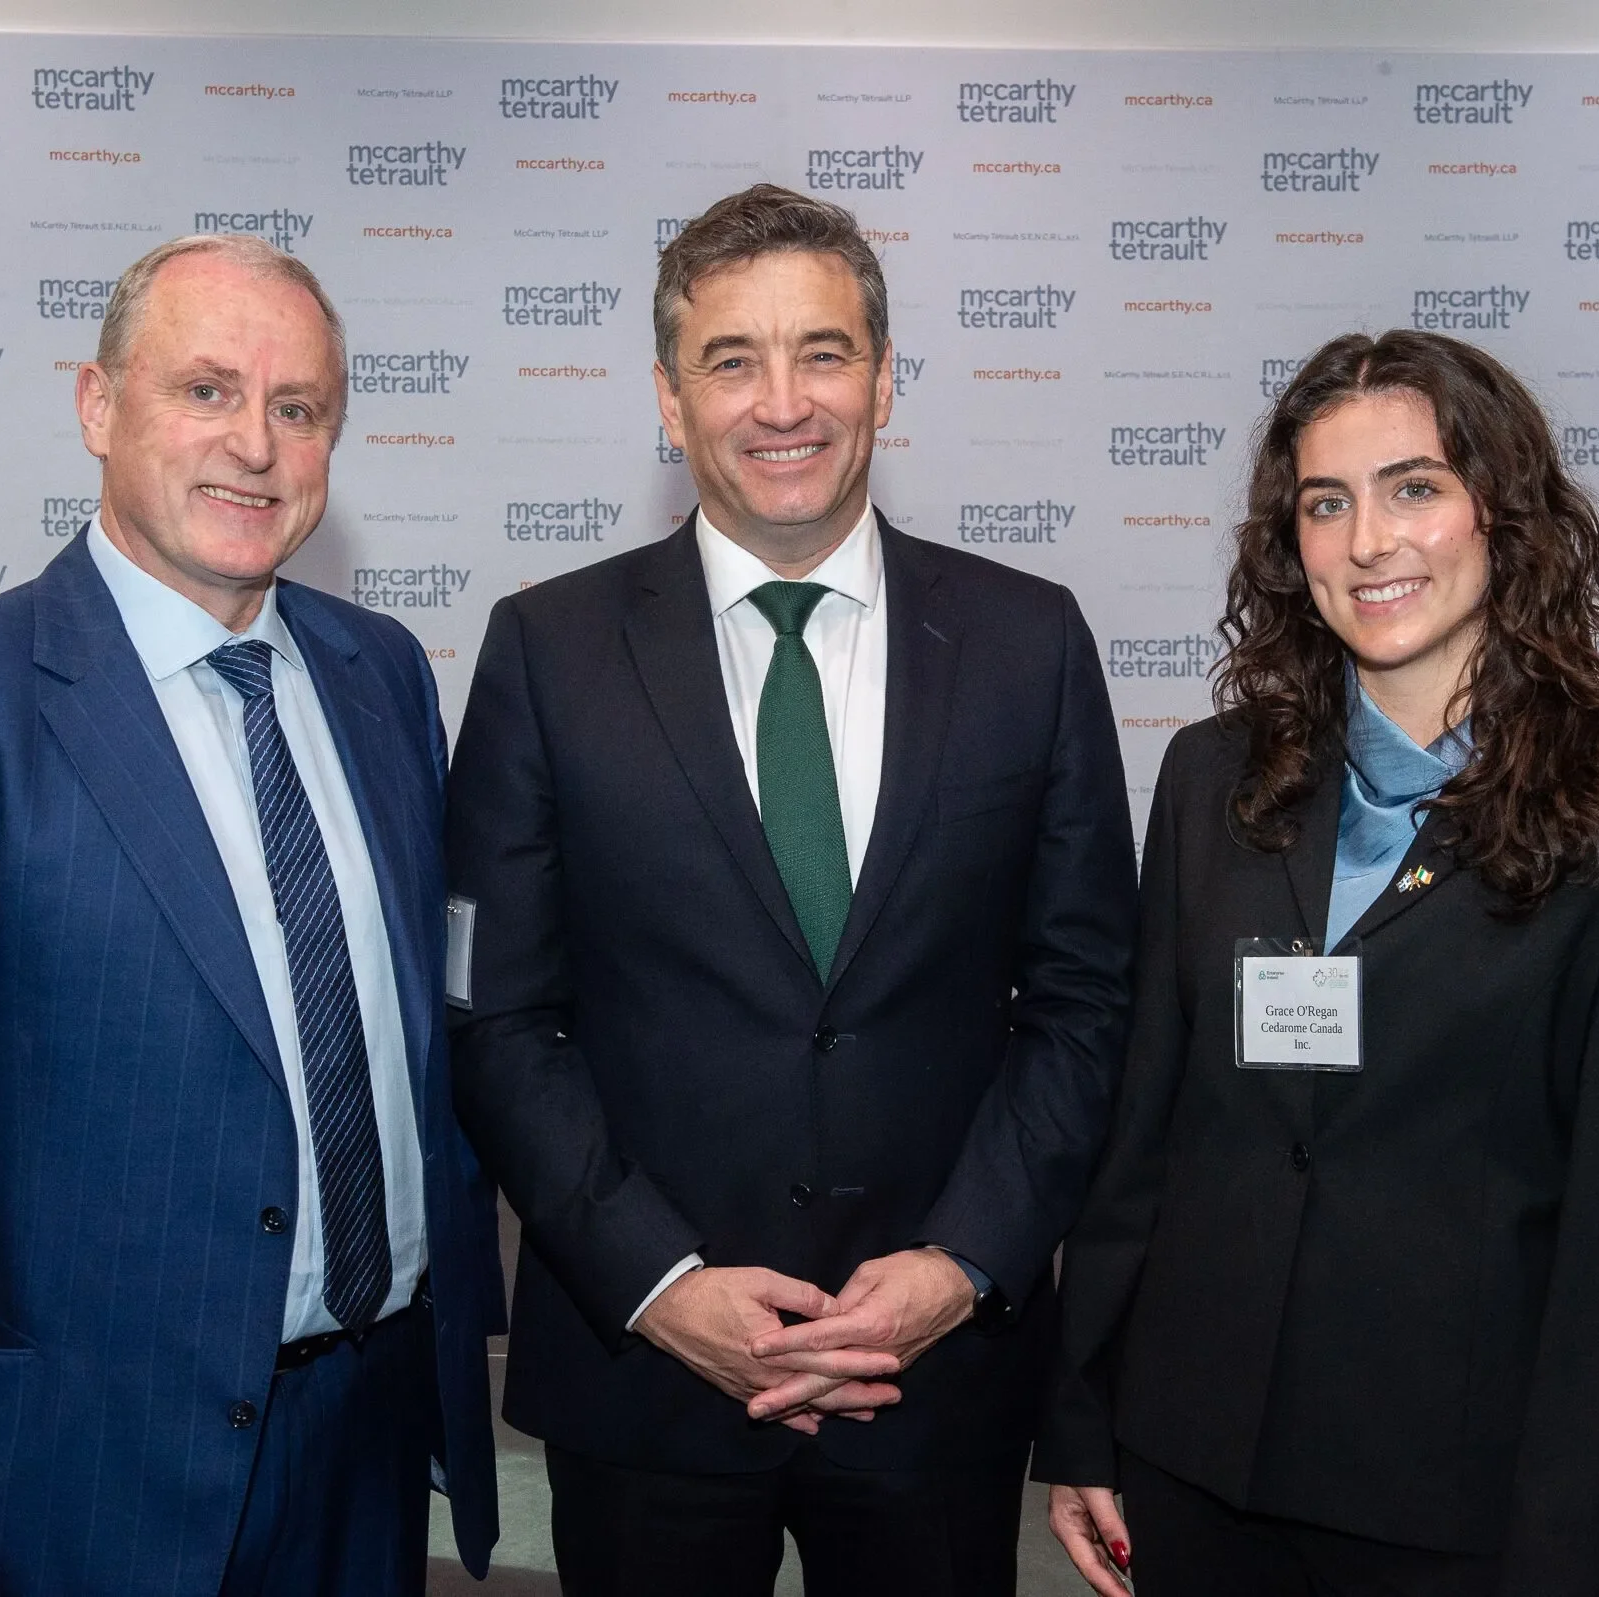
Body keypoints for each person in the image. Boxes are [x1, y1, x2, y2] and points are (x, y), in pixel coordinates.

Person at [0, 234, 500, 1597]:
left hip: (365, 1448)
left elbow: (410, 1040)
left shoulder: (380, 673)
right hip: (68, 1480)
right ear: (99, 407)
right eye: (207, 391)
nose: (256, 446)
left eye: (298, 408)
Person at [445, 183, 1136, 1595]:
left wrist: (962, 1264)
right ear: (666, 395)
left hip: (933, 1383)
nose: (783, 402)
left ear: (883, 380)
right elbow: (496, 1018)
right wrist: (660, 1284)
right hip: (644, 1374)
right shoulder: (544, 652)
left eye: (822, 352)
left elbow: (1086, 1003)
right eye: (730, 358)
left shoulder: (1029, 645)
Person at [1039, 329, 1599, 1597]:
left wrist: (1575, 1560)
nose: (1370, 541)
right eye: (1328, 502)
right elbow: (1144, 1129)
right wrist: (1085, 1417)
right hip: (1195, 1467)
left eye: (1414, 487)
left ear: (1502, 511)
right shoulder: (1214, 778)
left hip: (1452, 1509)